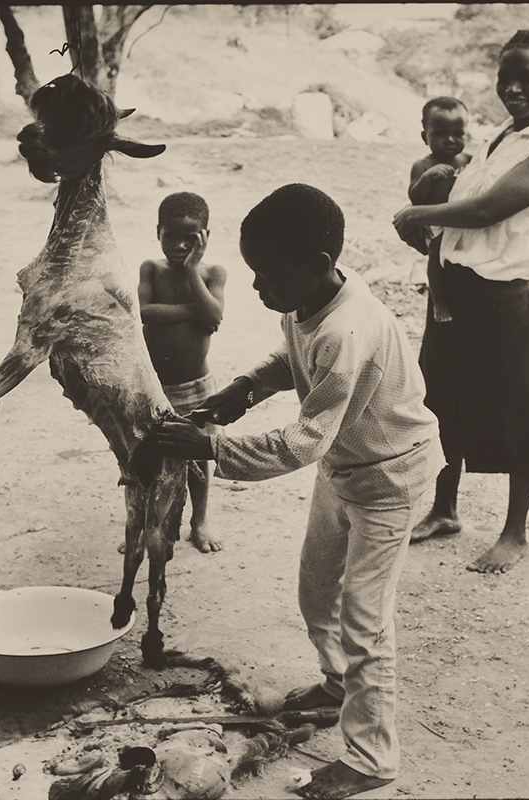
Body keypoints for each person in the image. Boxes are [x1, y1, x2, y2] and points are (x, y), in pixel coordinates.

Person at [151, 184, 440, 800]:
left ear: (317, 264)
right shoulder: (307, 294)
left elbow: (301, 443)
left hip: (390, 478)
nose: (258, 289)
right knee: (316, 589)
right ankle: (337, 686)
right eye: (254, 273)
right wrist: (246, 387)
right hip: (347, 467)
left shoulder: (348, 331)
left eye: (266, 276)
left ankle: (372, 757)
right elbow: (291, 355)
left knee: (365, 619)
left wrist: (210, 449)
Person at [392, 28, 529, 573]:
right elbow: (460, 200)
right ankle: (445, 510)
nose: (515, 89)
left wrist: (417, 215)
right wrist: (428, 213)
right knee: (442, 403)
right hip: (454, 290)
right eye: (507, 79)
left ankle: (515, 533)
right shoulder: (500, 133)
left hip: (504, 296)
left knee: (520, 414)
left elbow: (486, 210)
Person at [138, 191, 227, 553]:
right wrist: (194, 310)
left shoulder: (212, 272)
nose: (178, 245)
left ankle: (199, 520)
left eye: (189, 239)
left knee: (199, 456)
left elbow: (215, 315)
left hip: (197, 388)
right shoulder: (151, 269)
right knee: (147, 456)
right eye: (170, 235)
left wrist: (192, 271)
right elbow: (145, 313)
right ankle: (149, 522)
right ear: (157, 231)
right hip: (154, 385)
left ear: (205, 236)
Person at [408, 96, 471, 324]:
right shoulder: (423, 165)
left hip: (464, 218)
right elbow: (415, 198)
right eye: (441, 134)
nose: (450, 140)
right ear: (425, 137)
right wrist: (427, 179)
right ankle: (440, 300)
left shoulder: (468, 160)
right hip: (437, 222)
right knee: (436, 255)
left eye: (458, 133)